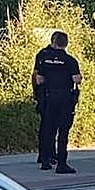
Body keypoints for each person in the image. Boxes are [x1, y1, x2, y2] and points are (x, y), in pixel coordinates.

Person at [34, 31, 82, 174]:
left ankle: (45, 161)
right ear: (66, 43)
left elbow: (38, 79)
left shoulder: (45, 58)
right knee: (63, 131)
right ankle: (61, 163)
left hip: (49, 97)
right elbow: (76, 79)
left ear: (53, 42)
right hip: (65, 98)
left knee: (48, 128)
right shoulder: (70, 61)